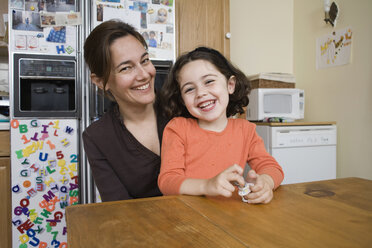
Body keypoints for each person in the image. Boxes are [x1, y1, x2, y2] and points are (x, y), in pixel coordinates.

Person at [158, 47, 284, 204]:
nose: (201, 93)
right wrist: (207, 185)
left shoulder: (245, 130)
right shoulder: (177, 128)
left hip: (228, 214)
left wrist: (265, 184)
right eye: (189, 89)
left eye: (209, 81)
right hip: (186, 217)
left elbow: (271, 167)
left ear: (230, 85)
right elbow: (167, 181)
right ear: (183, 100)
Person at [82, 20, 169, 202]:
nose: (144, 74)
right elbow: (120, 209)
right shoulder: (97, 137)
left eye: (144, 61)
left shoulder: (180, 106)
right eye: (126, 68)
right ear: (99, 81)